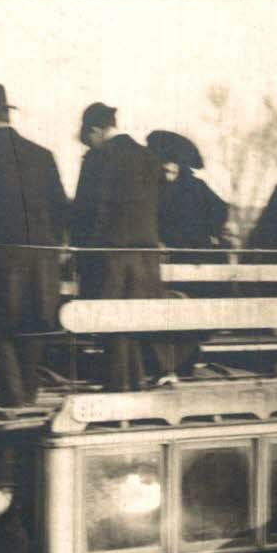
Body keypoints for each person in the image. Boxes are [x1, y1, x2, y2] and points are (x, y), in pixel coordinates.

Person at [0, 83, 68, 407]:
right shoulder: (42, 154)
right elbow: (61, 208)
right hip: (43, 258)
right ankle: (29, 394)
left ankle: (12, 396)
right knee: (33, 326)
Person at [71, 102, 177, 390]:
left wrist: (79, 256)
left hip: (109, 256)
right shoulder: (149, 158)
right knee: (137, 322)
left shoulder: (97, 158)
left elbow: (85, 212)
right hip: (146, 258)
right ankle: (137, 383)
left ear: (95, 130)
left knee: (113, 327)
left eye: (88, 137)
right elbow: (165, 207)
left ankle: (120, 389)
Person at [149, 130, 230, 256]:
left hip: (193, 251)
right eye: (164, 170)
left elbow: (219, 209)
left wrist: (211, 233)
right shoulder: (151, 188)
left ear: (180, 167)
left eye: (171, 170)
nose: (168, 175)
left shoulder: (196, 187)